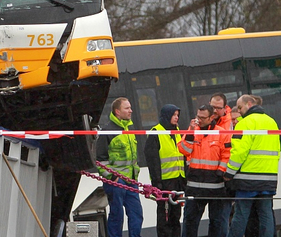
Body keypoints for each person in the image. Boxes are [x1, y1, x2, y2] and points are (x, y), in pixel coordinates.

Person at [225, 94, 280, 237]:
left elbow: (239, 152)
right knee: (266, 214)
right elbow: (277, 150)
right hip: (269, 177)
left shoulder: (244, 123)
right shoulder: (271, 122)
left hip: (247, 178)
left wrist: (229, 173)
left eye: (240, 107)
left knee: (241, 214)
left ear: (249, 104)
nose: (239, 110)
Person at [178, 105, 231, 237]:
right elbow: (183, 150)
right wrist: (190, 131)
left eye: (202, 118)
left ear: (211, 117)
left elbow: (227, 154)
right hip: (194, 186)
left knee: (216, 224)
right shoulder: (193, 131)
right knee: (190, 223)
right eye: (198, 117)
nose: (199, 120)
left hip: (216, 186)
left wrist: (221, 171)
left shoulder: (221, 133)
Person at [96, 97, 143, 237]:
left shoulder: (129, 128)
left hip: (131, 181)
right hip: (116, 181)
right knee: (117, 216)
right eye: (127, 108)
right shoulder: (107, 131)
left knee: (136, 214)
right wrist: (112, 177)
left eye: (130, 107)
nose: (131, 110)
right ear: (117, 111)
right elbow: (100, 159)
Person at [144, 104, 187, 237]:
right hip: (164, 183)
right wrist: (157, 183)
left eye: (177, 115)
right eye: (174, 115)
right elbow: (153, 161)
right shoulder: (155, 132)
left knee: (176, 216)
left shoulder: (177, 131)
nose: (176, 118)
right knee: (164, 217)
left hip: (178, 181)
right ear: (166, 116)